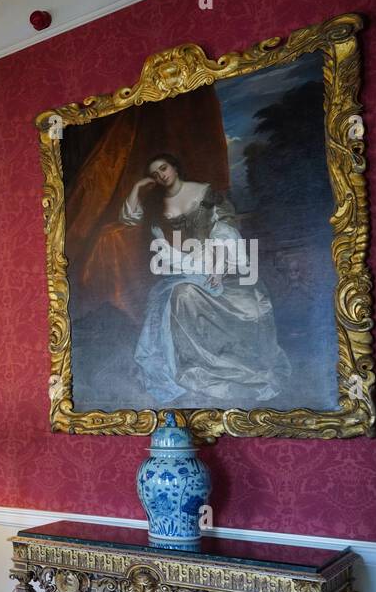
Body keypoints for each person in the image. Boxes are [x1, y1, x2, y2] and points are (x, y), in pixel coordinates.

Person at [121, 152, 290, 405]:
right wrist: (137, 187)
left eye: (164, 168)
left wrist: (218, 266)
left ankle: (230, 365)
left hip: (217, 261)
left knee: (249, 306)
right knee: (181, 295)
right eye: (155, 174)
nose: (161, 175)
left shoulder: (204, 192)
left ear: (175, 167)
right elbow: (128, 218)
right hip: (181, 267)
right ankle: (195, 365)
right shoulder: (156, 204)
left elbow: (225, 226)